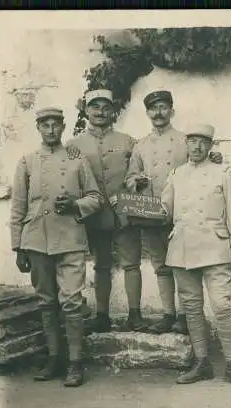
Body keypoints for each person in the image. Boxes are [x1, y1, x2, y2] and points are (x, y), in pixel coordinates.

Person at [10, 107, 103, 387]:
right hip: (36, 240)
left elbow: (96, 198)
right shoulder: (27, 162)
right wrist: (18, 246)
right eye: (45, 125)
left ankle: (75, 363)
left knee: (72, 302)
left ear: (63, 127)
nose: (50, 130)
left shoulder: (77, 160)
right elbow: (18, 207)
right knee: (46, 302)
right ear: (38, 128)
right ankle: (54, 358)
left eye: (55, 125)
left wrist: (75, 204)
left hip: (71, 239)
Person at [161, 123, 231, 387]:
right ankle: (202, 363)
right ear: (186, 144)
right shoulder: (177, 174)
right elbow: (163, 211)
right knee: (191, 308)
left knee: (222, 307)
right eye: (193, 141)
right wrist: (136, 202)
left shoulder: (224, 173)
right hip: (182, 249)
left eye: (203, 141)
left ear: (211, 145)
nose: (198, 146)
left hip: (216, 249)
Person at [125, 90, 222, 335]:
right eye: (153, 109)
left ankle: (184, 316)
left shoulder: (184, 140)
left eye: (163, 107)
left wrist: (216, 157)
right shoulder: (141, 145)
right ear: (147, 113)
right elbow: (130, 177)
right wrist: (135, 181)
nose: (158, 113)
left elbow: (204, 162)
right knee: (160, 266)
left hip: (180, 214)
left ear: (172, 111)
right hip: (150, 211)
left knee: (183, 265)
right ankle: (168, 314)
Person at [66, 89, 148, 333]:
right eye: (94, 107)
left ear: (113, 111)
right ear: (86, 110)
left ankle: (135, 314)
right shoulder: (73, 145)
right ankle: (102, 315)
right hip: (95, 215)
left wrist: (131, 191)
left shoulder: (127, 141)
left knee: (132, 263)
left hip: (123, 212)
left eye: (105, 107)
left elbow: (138, 171)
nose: (100, 112)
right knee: (101, 265)